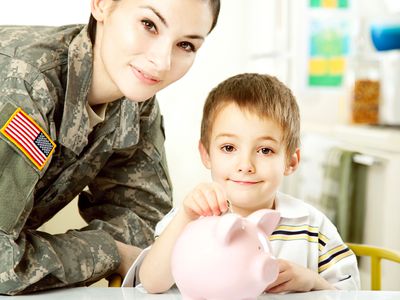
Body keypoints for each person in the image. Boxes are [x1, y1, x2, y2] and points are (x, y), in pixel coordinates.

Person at [0, 0, 220, 295]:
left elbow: (146, 226)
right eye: (149, 25)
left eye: (186, 45)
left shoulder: (136, 101)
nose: (163, 61)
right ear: (102, 5)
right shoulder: (24, 83)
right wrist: (108, 252)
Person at [131, 73, 360, 293]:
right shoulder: (188, 219)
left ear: (290, 161)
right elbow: (151, 283)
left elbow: (352, 294)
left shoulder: (313, 228)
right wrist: (185, 217)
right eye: (229, 148)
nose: (245, 165)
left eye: (265, 150)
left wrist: (311, 281)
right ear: (206, 154)